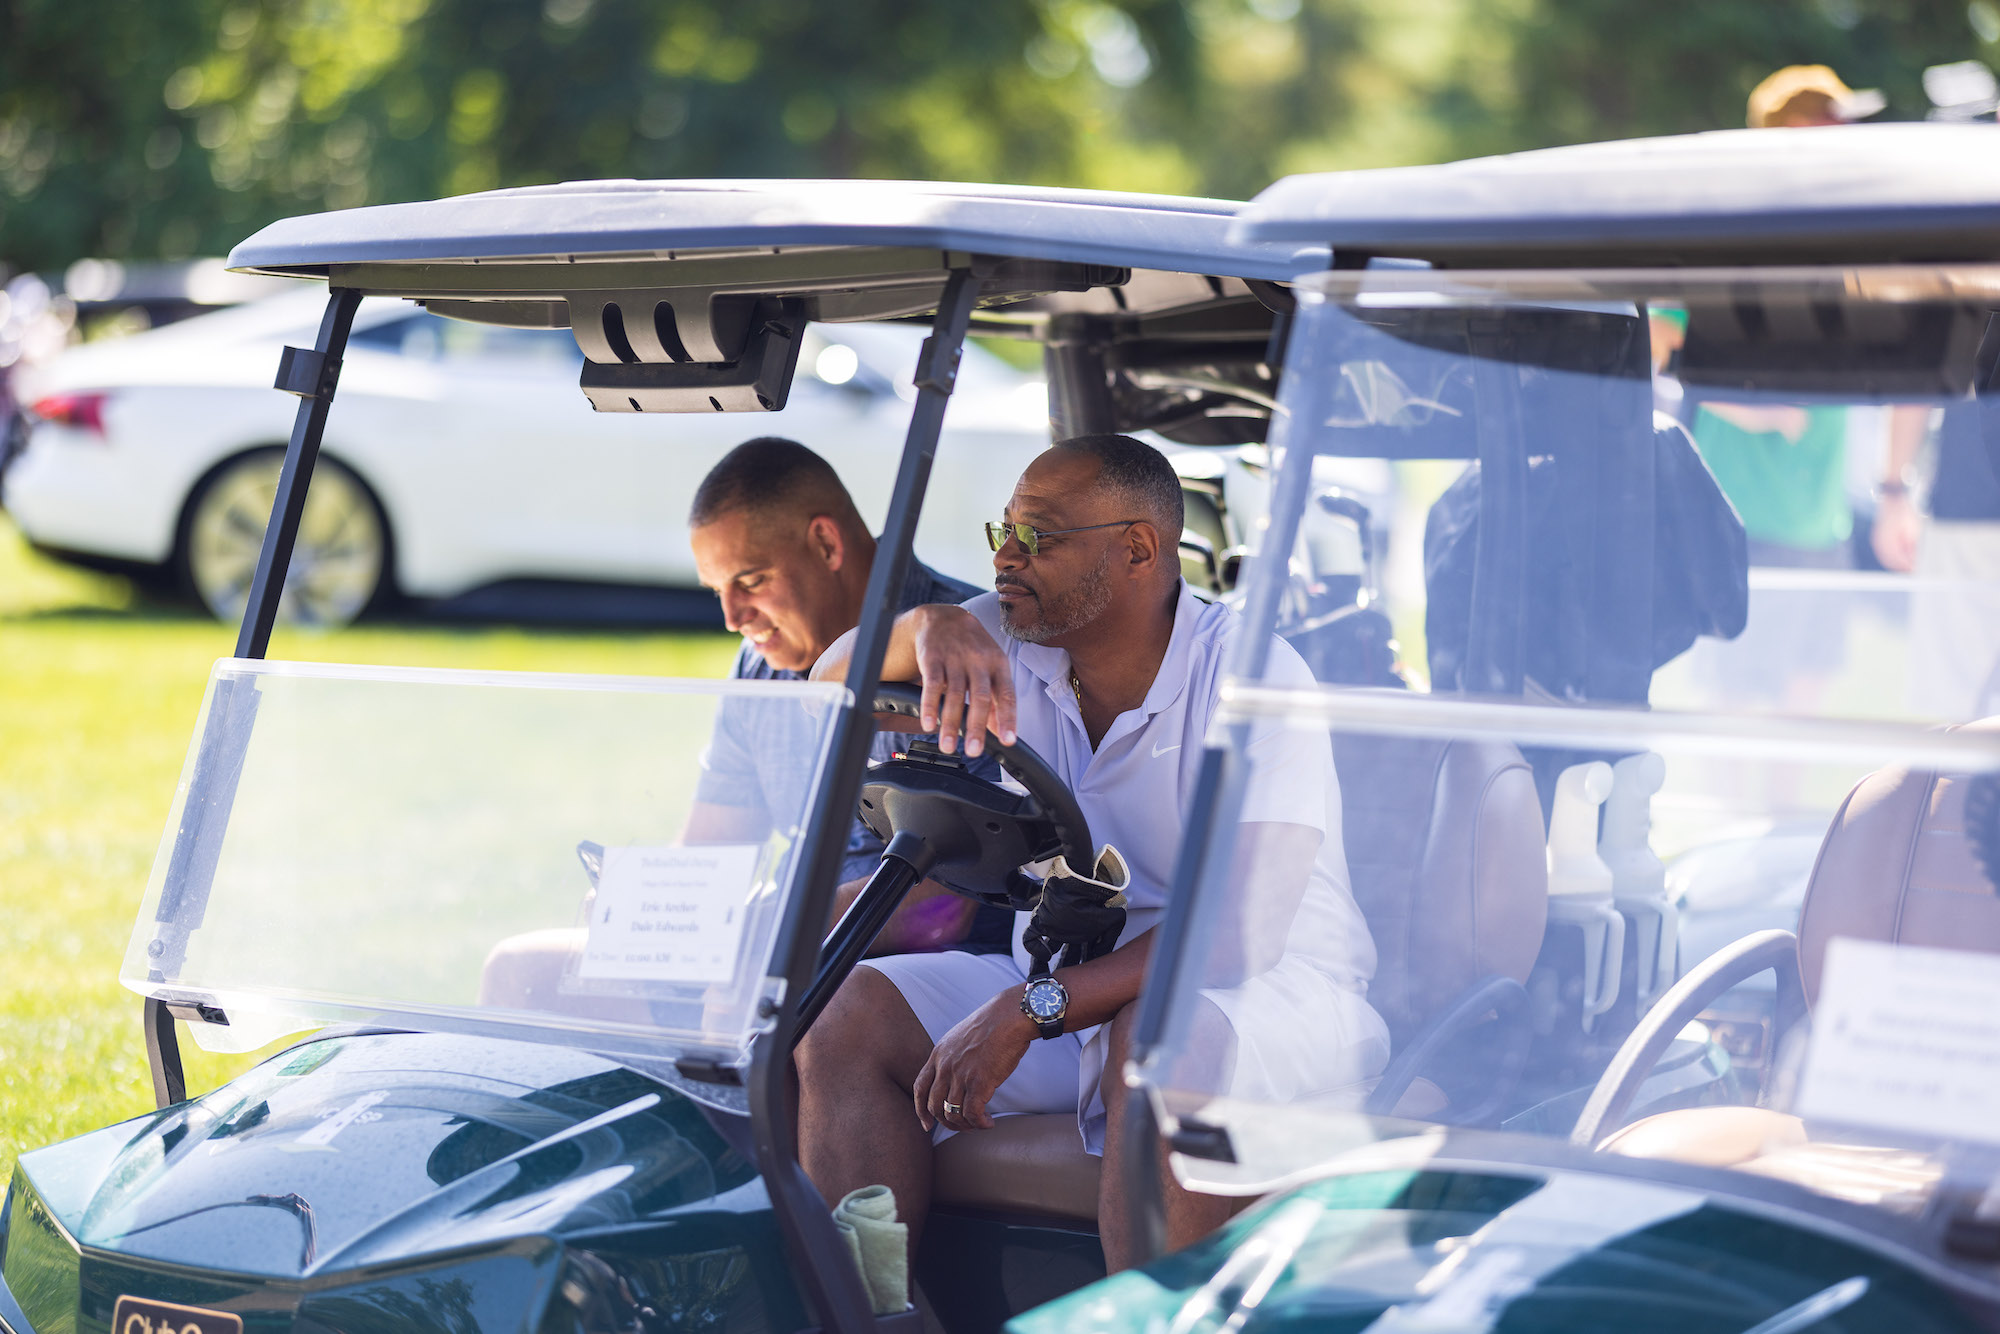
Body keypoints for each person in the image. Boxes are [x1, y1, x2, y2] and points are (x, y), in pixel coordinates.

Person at [797, 434, 1385, 1273]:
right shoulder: (1011, 633)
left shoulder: (1255, 676)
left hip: (1265, 993)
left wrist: (1030, 1009)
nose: (1005, 557)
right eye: (1000, 531)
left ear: (1138, 549)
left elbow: (1239, 933)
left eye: (1035, 538)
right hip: (1068, 980)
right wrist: (927, 625)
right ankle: (879, 1316)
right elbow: (825, 681)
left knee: (1155, 1043)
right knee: (842, 1012)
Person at [683, 437, 1011, 953]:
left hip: (906, 978)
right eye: (717, 590)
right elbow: (711, 853)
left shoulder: (966, 649)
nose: (732, 619)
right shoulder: (758, 666)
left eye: (750, 580)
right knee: (519, 971)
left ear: (826, 544)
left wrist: (755, 939)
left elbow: (943, 908)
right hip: (768, 956)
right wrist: (649, 912)